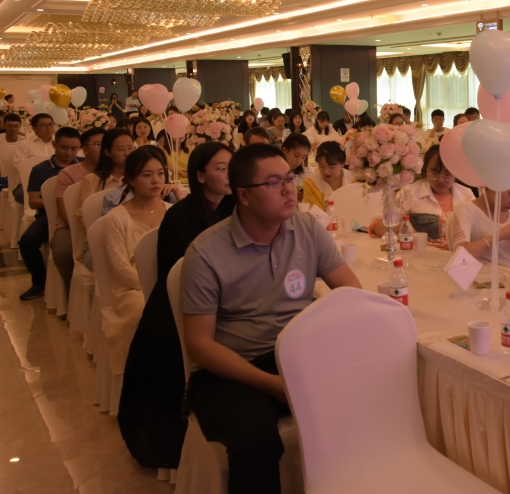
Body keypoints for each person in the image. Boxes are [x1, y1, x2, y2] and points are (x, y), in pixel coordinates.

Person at [180, 144, 361, 494]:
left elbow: (350, 293)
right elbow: (199, 345)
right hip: (231, 369)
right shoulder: (206, 253)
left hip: (295, 355)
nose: (289, 189)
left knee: (370, 402)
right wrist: (274, 383)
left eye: (290, 179)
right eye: (274, 182)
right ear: (243, 195)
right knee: (256, 441)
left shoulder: (307, 229)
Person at [118, 143, 235, 472]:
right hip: (179, 308)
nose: (230, 175)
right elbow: (189, 278)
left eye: (232, 167)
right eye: (221, 168)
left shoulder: (236, 208)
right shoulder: (181, 217)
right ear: (200, 176)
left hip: (228, 300)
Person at [103, 147, 170, 380]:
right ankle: (143, 377)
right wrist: (152, 286)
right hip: (132, 287)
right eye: (147, 175)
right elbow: (120, 267)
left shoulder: (172, 212)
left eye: (160, 173)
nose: (156, 181)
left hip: (167, 281)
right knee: (142, 310)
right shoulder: (116, 218)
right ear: (131, 179)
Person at [17, 127, 82, 301]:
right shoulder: (40, 169)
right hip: (49, 215)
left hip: (78, 214)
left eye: (74, 149)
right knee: (27, 241)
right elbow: (33, 202)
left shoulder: (83, 165)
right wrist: (59, 200)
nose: (69, 153)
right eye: (64, 147)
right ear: (54, 144)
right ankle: (39, 283)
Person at [370, 145, 474, 247]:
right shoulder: (410, 192)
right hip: (422, 253)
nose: (441, 180)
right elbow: (376, 224)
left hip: (458, 254)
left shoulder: (466, 195)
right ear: (425, 169)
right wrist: (402, 229)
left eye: (447, 174)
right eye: (435, 172)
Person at [52, 127, 104, 294]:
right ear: (85, 149)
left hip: (102, 227)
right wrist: (81, 231)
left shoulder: (116, 171)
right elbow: (63, 209)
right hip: (71, 225)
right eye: (98, 144)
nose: (104, 149)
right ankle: (72, 292)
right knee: (64, 251)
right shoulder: (68, 173)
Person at [450, 173, 510, 267]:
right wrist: (500, 236)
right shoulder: (466, 209)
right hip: (482, 274)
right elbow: (459, 256)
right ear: (493, 186)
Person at [301, 141, 354, 211]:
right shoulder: (311, 184)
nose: (326, 171)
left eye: (332, 167)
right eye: (322, 166)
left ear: (343, 164)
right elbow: (314, 214)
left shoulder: (354, 180)